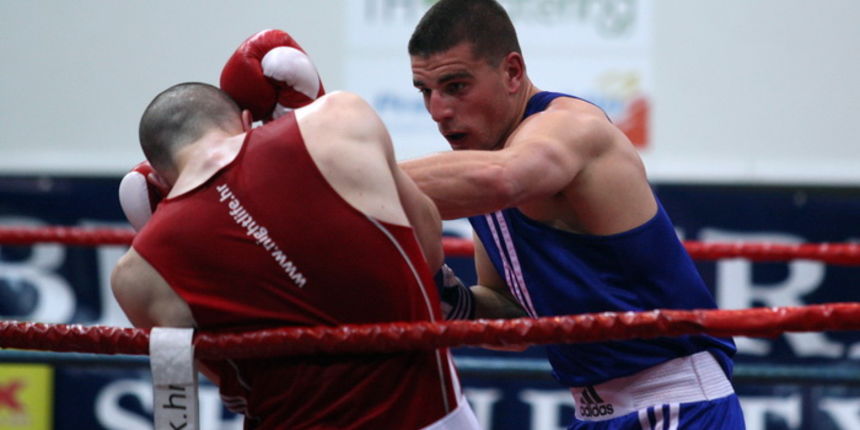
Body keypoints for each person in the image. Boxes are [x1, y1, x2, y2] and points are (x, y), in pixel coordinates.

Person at [400, 0, 745, 428]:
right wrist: (456, 301)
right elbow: (514, 315)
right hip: (592, 413)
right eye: (425, 91)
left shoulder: (568, 128)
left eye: (456, 86)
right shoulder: (480, 161)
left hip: (676, 405)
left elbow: (507, 178)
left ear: (512, 72)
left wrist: (329, 177)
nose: (438, 111)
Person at [110, 82, 480, 429]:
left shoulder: (137, 274)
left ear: (157, 182)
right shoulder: (339, 118)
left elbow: (235, 392)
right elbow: (428, 243)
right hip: (429, 417)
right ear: (244, 121)